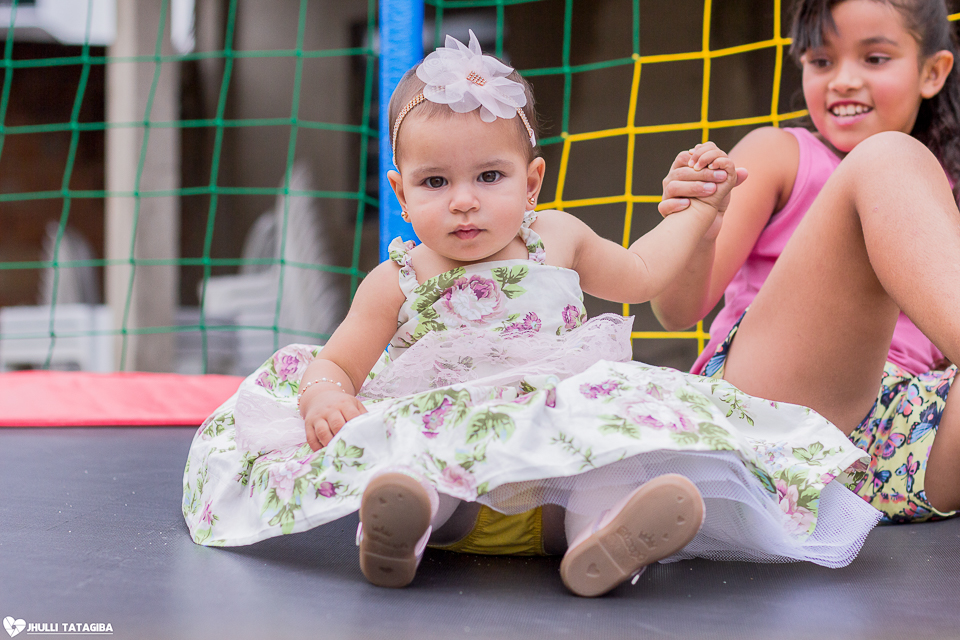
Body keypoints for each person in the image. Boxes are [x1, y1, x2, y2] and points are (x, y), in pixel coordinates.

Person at [183, 31, 879, 597]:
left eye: (489, 177)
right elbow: (338, 360)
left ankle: (604, 538)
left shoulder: (560, 238)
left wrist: (701, 213)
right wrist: (327, 393)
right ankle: (399, 527)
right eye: (435, 182)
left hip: (554, 466)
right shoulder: (396, 278)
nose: (463, 200)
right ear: (399, 191)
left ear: (532, 181)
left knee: (612, 444)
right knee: (404, 451)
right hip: (455, 455)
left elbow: (640, 274)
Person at [653, 0, 960, 524]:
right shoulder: (781, 154)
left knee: (894, 162)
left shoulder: (941, 197)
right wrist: (696, 226)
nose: (843, 80)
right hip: (773, 412)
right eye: (821, 62)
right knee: (887, 158)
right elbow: (676, 310)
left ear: (932, 71)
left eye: (875, 59)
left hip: (898, 442)